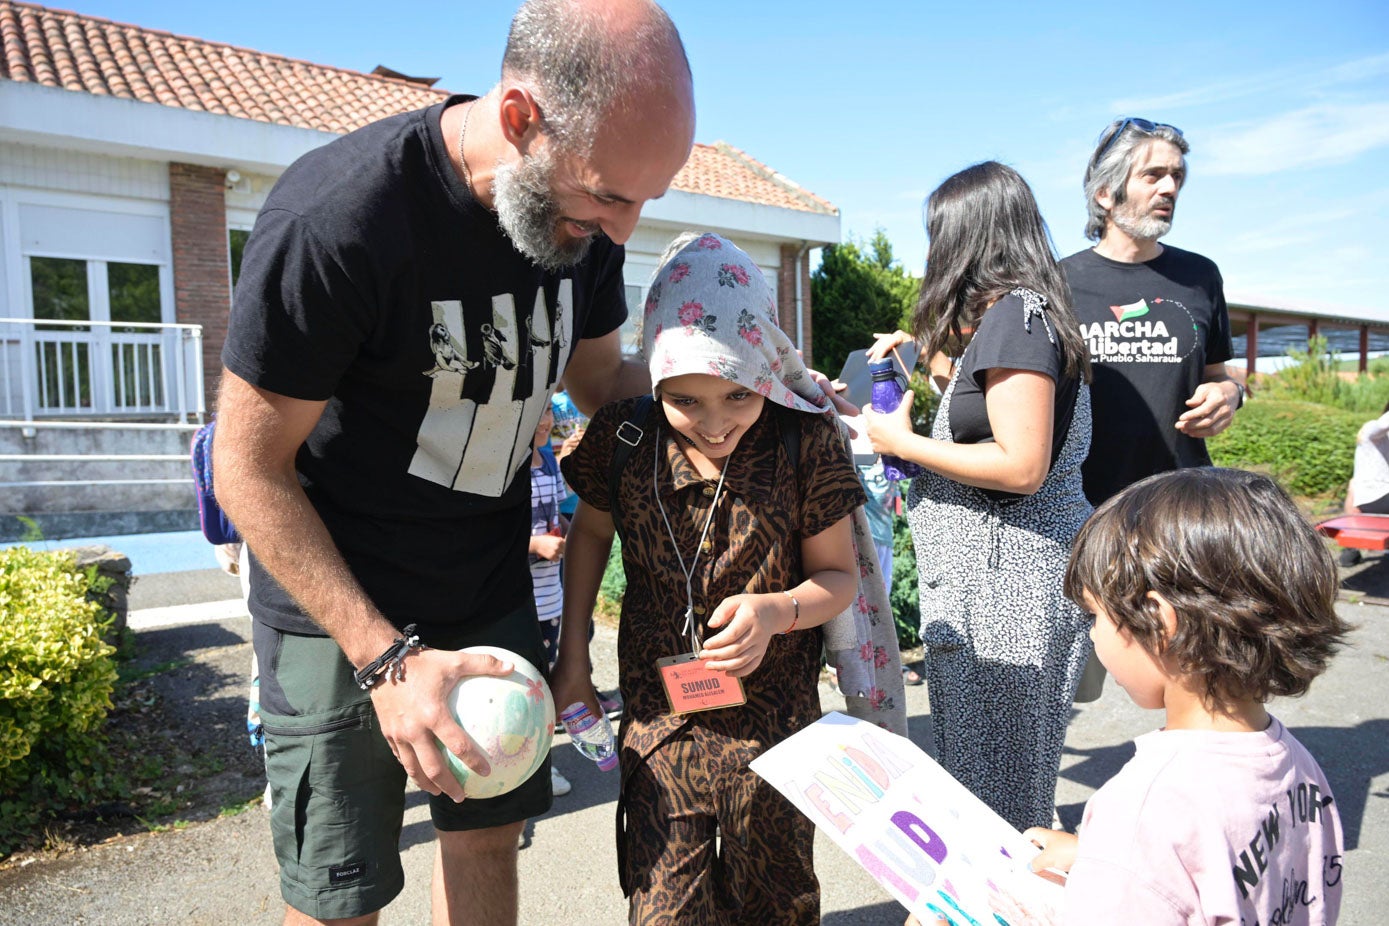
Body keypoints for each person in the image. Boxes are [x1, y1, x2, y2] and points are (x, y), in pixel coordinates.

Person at [212, 1, 695, 922]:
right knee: (337, 890)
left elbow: (601, 383)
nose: (623, 228)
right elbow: (246, 467)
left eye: (644, 199)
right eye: (609, 194)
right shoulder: (339, 220)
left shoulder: (579, 226)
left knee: (484, 842)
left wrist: (738, 390)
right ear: (520, 120)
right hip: (340, 608)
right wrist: (385, 659)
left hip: (485, 584)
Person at [552, 232, 902, 924]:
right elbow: (587, 536)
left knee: (774, 908)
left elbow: (835, 578)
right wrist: (570, 662)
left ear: (764, 365)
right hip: (660, 730)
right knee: (664, 910)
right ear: (654, 377)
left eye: (738, 395)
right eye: (685, 401)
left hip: (777, 737)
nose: (715, 425)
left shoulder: (804, 442)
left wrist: (776, 611)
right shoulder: (624, 439)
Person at [863, 161, 1094, 832]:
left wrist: (900, 443)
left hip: (1005, 591)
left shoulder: (1017, 319)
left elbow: (1019, 464)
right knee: (993, 782)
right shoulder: (1025, 317)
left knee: (997, 799)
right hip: (999, 584)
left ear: (964, 235)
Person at [1026, 467, 1348, 924]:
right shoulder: (1293, 762)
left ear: (1159, 621)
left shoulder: (1147, 806)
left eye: (1094, 615)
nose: (1092, 636)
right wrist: (1103, 860)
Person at [1062, 118, 1244, 508]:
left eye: (1177, 175)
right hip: (1081, 508)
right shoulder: (1058, 282)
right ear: (1106, 194)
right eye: (1154, 175)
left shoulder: (1200, 276)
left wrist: (1229, 394)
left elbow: (1218, 376)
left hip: (1180, 507)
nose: (1170, 188)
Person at [526, 406, 573, 797]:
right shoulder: (506, 468)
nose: (545, 421)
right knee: (523, 689)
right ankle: (527, 770)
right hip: (517, 601)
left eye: (548, 412)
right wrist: (535, 545)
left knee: (544, 687)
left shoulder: (547, 460)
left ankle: (541, 765)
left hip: (549, 599)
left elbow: (561, 513)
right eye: (537, 413)